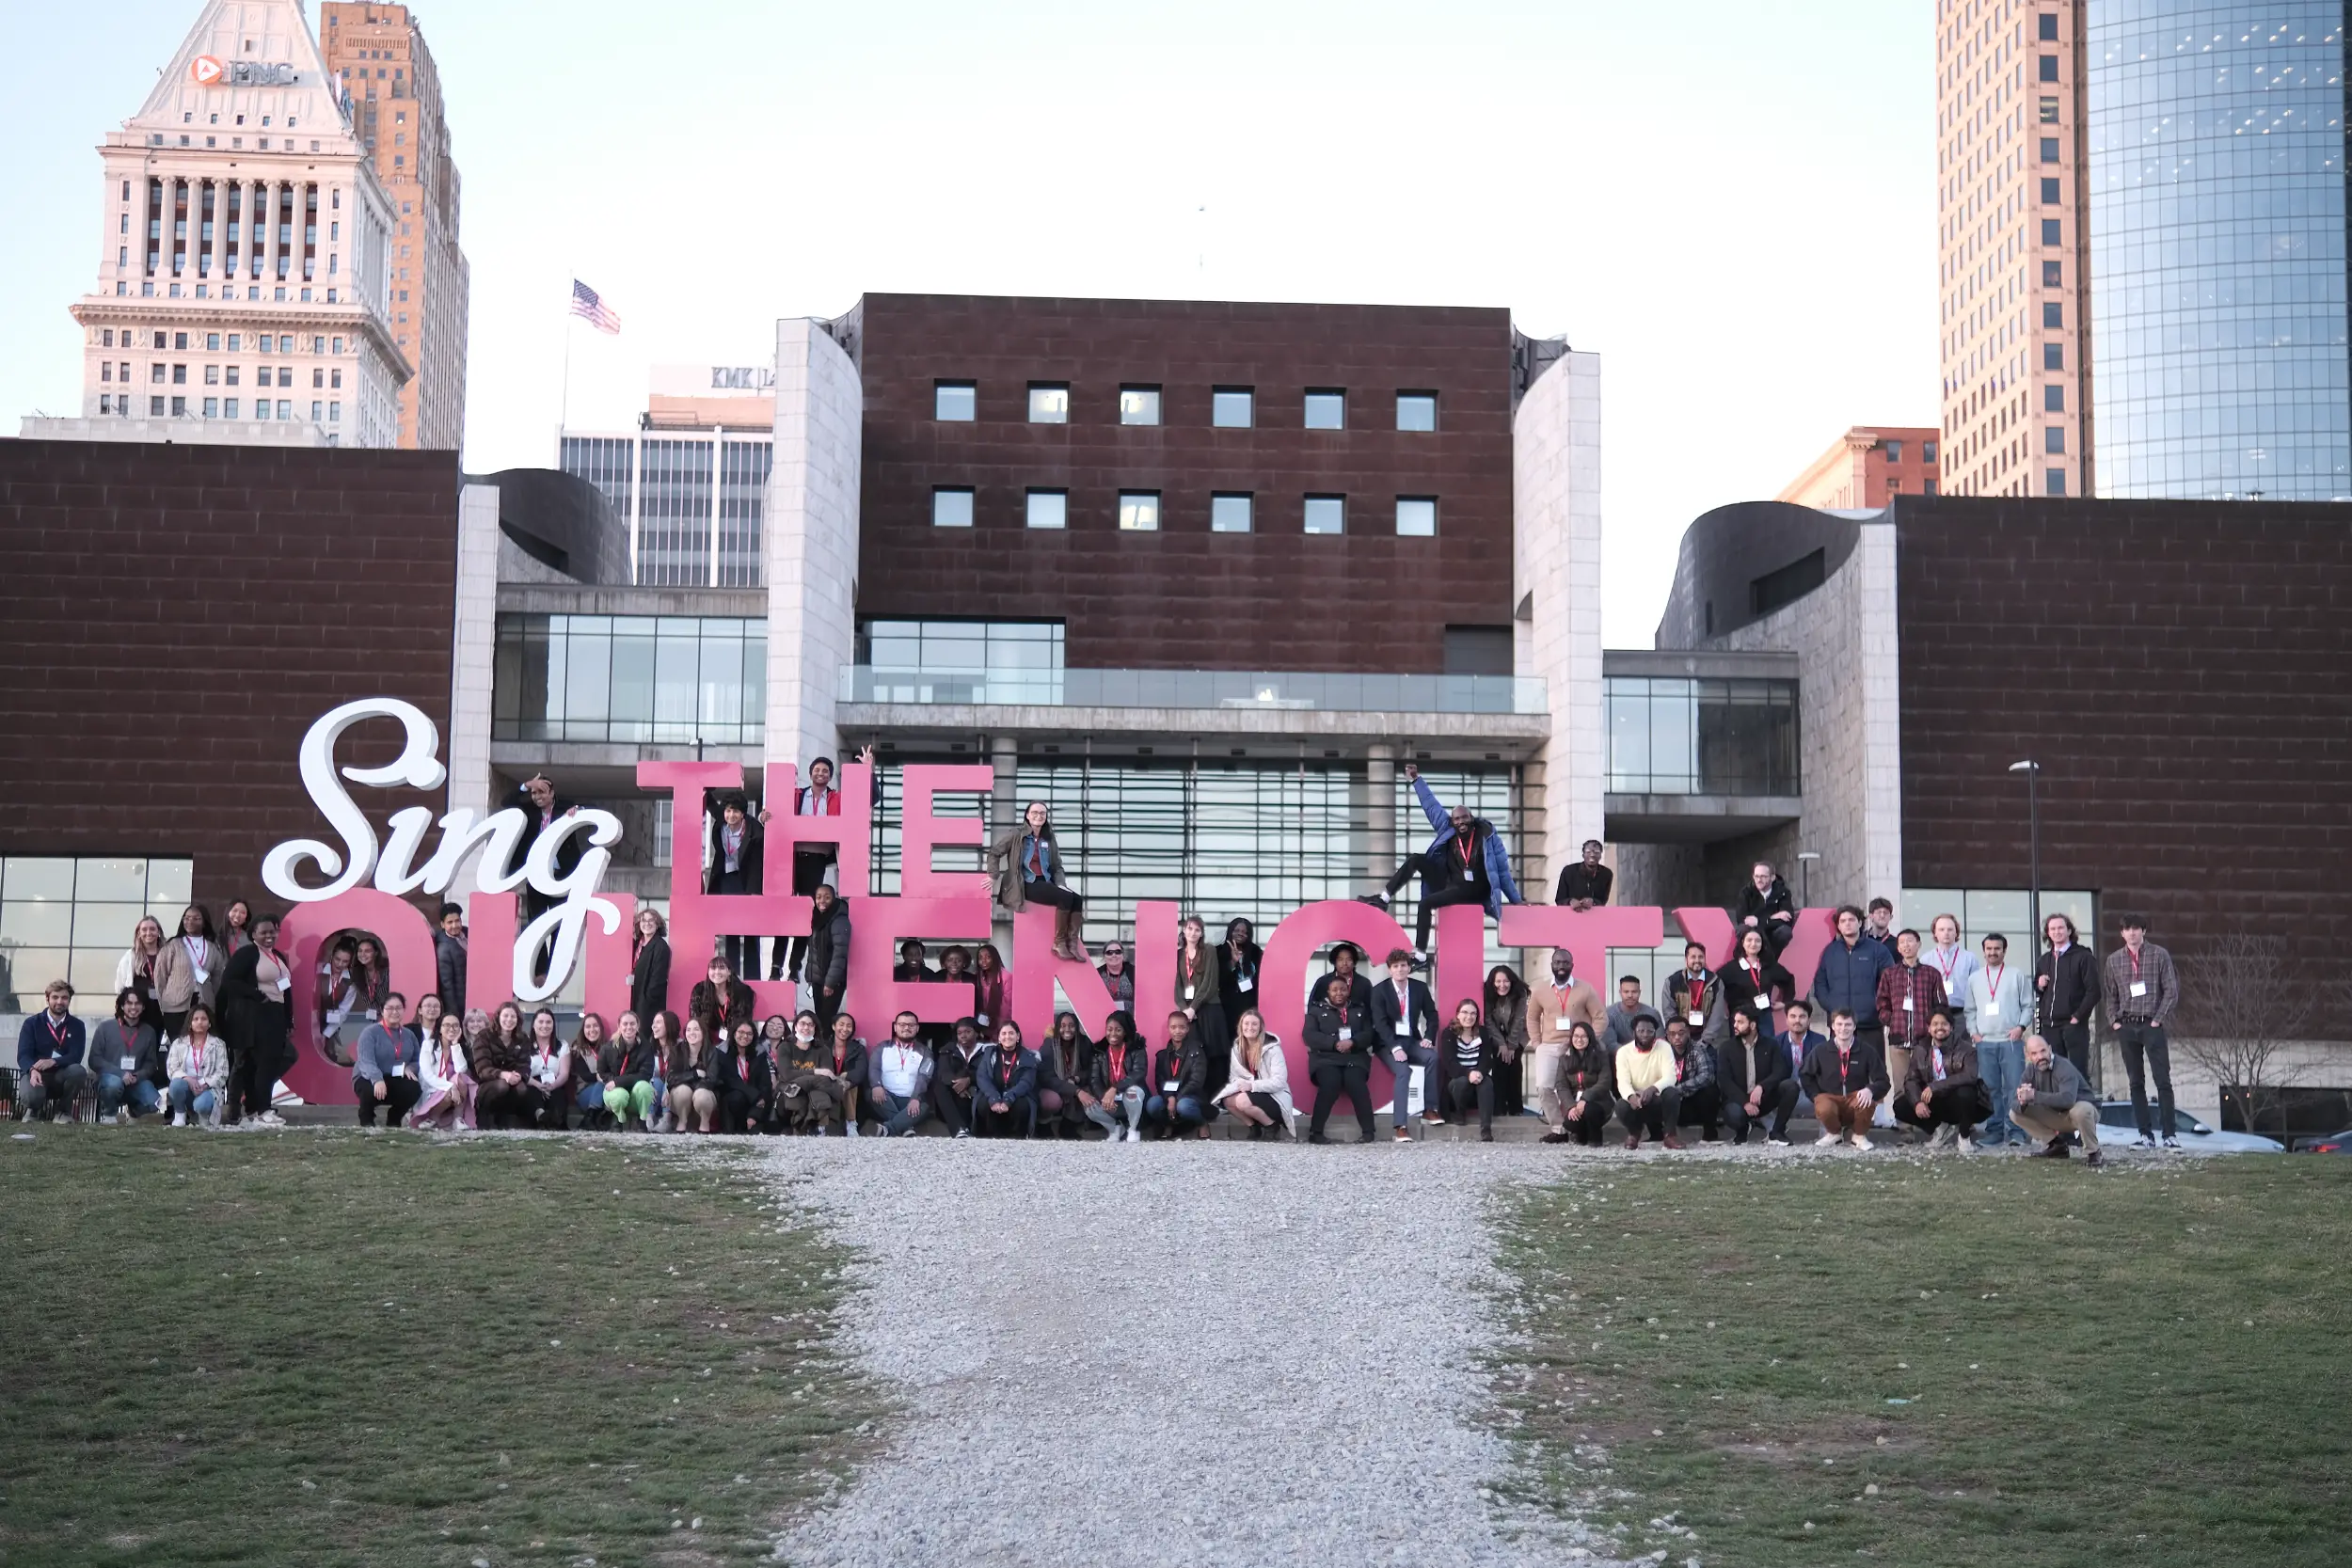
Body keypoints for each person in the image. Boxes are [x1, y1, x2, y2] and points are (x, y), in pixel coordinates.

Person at [1364, 762, 1524, 961]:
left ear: (1471, 818)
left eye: (1464, 818)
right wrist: (1416, 780)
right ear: (1453, 821)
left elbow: (1502, 873)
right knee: (1415, 859)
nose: (1460, 823)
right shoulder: (1447, 828)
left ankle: (1421, 956)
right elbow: (1431, 806)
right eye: (1457, 819)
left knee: (1425, 904)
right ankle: (1383, 899)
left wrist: (1517, 901)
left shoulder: (1489, 838)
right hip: (1451, 882)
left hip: (1476, 890)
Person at [768, 746, 880, 980]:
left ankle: (795, 967)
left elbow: (867, 799)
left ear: (830, 776)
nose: (821, 773)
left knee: (803, 914)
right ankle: (776, 966)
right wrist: (763, 816)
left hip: (816, 860)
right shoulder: (796, 795)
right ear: (810, 774)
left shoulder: (836, 798)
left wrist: (868, 770)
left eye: (826, 771)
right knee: (782, 913)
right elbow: (774, 814)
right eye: (817, 770)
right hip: (789, 858)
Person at [2105, 915, 2182, 1149]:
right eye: (2127, 929)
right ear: (2122, 933)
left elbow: (2171, 991)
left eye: (2136, 929)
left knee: (2163, 1081)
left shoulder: (2159, 955)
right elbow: (2110, 994)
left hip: (2151, 1025)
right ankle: (2145, 1135)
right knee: (2135, 1082)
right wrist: (2114, 1021)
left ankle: (2169, 1135)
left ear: (2144, 931)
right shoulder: (2114, 960)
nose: (2131, 933)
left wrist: (2157, 1020)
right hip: (2127, 1026)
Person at [215, 915, 294, 1128]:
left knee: (271, 1062)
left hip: (275, 1016)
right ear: (254, 934)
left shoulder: (279, 957)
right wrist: (256, 994)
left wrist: (289, 1019)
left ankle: (256, 1107)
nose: (269, 936)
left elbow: (287, 990)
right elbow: (229, 981)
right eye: (264, 932)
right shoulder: (247, 954)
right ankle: (260, 1110)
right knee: (253, 1065)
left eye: (272, 932)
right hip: (252, 1018)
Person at [1526, 948, 1609, 1137]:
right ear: (1552, 965)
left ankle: (1581, 1124)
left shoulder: (1585, 989)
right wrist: (1537, 1043)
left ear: (1572, 965)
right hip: (1549, 1045)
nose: (1561, 966)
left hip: (1578, 1045)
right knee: (1545, 1087)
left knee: (1582, 1086)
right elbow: (1531, 1018)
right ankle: (1558, 1129)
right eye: (1557, 962)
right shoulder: (1539, 989)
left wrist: (1590, 1041)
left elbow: (1600, 1017)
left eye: (1565, 963)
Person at [989, 800, 1084, 960]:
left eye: (1042, 813)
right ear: (1027, 815)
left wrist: (1061, 884)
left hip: (1045, 881)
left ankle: (1072, 944)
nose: (1038, 816)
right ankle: (1059, 943)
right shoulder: (1017, 834)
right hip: (1024, 883)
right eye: (1034, 813)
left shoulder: (1049, 838)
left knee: (1077, 899)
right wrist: (993, 875)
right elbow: (994, 853)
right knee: (1065, 898)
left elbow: (1057, 866)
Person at [1966, 933, 2036, 1149]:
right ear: (1983, 951)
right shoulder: (1975, 978)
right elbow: (1970, 1010)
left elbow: (2028, 1006)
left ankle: (2017, 1131)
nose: (1993, 952)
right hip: (1985, 1042)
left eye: (1997, 948)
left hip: (2011, 1041)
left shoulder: (2016, 975)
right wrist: (1974, 1032)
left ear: (2004, 951)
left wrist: (2021, 1027)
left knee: (2015, 1087)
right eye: (1989, 948)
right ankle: (1994, 1131)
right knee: (1990, 1089)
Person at [1875, 928, 1948, 1117]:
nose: (1906, 945)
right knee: (1901, 1087)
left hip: (1924, 1041)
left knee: (1926, 1085)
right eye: (1902, 942)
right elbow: (1882, 1003)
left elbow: (1940, 1005)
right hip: (1898, 1040)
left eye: (1910, 941)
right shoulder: (1890, 974)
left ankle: (1928, 1126)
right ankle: (1906, 1131)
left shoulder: (1931, 974)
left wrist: (1932, 1028)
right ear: (1898, 948)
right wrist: (1890, 1020)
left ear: (1919, 944)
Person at [1812, 905, 1894, 1073]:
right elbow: (1820, 983)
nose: (1847, 924)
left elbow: (1890, 982)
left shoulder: (1877, 949)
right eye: (1843, 921)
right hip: (1840, 1025)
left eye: (1851, 920)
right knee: (1840, 1071)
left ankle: (1875, 1101)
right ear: (1838, 926)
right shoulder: (1830, 951)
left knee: (1874, 1071)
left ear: (1860, 923)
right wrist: (1832, 1006)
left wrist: (1877, 1006)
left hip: (1869, 1024)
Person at [1371, 946, 1441, 1140]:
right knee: (1404, 1071)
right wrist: (1395, 1048)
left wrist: (1428, 1037)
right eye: (1396, 966)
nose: (1400, 969)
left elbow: (1432, 1015)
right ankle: (1400, 1126)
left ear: (1409, 968)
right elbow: (1380, 1024)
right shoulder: (1379, 991)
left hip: (1411, 1039)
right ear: (1389, 969)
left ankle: (1429, 1109)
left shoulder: (1419, 988)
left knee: (1433, 1058)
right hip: (1387, 1043)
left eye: (1403, 965)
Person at [1894, 1008, 1986, 1150]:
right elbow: (1911, 1080)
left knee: (1967, 1092)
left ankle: (1964, 1136)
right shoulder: (1921, 1049)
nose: (1939, 1028)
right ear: (1929, 1028)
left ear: (1951, 1027)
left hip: (1957, 1101)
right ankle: (1941, 1129)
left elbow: (1970, 1076)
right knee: (1900, 1105)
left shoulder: (1966, 1048)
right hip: (1934, 1101)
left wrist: (1935, 1086)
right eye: (1935, 1024)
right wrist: (1917, 1102)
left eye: (1944, 1024)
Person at [1303, 972, 1377, 1144]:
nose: (1339, 993)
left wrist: (1353, 1042)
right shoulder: (1316, 1011)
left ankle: (1368, 1131)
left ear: (1348, 991)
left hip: (1354, 1057)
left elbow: (1369, 1033)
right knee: (1330, 1083)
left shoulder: (1359, 1010)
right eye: (1334, 990)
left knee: (1356, 1084)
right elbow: (1309, 1035)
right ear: (1328, 992)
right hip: (1326, 1058)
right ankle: (1316, 1132)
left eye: (1343, 990)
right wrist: (1334, 1043)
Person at [1800, 1008, 1887, 1149]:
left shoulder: (1867, 1050)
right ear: (1833, 1026)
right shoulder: (1820, 1050)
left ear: (1854, 1026)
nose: (1843, 1029)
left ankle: (1859, 1136)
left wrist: (1870, 1090)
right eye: (1839, 1024)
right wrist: (1816, 1096)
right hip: (1831, 1098)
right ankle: (1834, 1134)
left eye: (1848, 1024)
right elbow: (1805, 1074)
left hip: (1855, 1099)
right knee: (1824, 1105)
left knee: (1866, 1100)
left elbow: (1883, 1081)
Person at [2013, 1033, 2105, 1166]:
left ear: (2050, 1049)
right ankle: (2056, 1146)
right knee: (2015, 1113)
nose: (2040, 1057)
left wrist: (2034, 1095)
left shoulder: (2064, 1066)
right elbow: (2013, 1102)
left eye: (2043, 1051)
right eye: (2034, 1053)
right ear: (2028, 1056)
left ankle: (2094, 1153)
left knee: (2082, 1110)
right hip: (2056, 1114)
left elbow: (2068, 1100)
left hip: (2079, 1113)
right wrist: (2022, 1100)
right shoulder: (2030, 1071)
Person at [706, 790, 766, 980]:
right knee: (730, 929)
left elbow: (757, 862)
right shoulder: (721, 824)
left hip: (748, 880)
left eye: (735, 812)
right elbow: (709, 802)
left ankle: (752, 977)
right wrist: (708, 785)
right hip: (727, 878)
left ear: (743, 814)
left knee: (750, 931)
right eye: (728, 811)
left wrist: (755, 891)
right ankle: (731, 975)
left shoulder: (754, 829)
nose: (731, 816)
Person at [2034, 913, 2101, 1083]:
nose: (2057, 932)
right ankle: (2059, 1108)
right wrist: (2039, 985)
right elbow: (2039, 991)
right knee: (2054, 1075)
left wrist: (2077, 1017)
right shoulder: (2044, 960)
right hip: (2050, 1026)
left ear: (2069, 930)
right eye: (2053, 929)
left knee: (2078, 1073)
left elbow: (2094, 992)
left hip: (2074, 1026)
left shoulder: (2083, 956)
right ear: (2048, 933)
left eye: (2061, 928)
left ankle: (2084, 1108)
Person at [1718, 1006, 1798, 1146]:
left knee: (1790, 1087)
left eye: (1740, 1022)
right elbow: (1724, 1080)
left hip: (1763, 1098)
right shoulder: (1726, 1048)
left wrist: (1762, 1087)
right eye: (1735, 1021)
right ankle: (1742, 1130)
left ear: (1753, 1025)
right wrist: (1745, 1102)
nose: (1735, 1026)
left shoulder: (1771, 1045)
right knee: (1734, 1114)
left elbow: (1780, 1071)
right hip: (1738, 1100)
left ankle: (1777, 1132)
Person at [514, 772, 584, 923]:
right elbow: (507, 802)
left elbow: (587, 808)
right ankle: (539, 948)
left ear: (552, 793)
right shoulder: (529, 810)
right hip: (535, 874)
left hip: (561, 874)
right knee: (536, 921)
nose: (537, 796)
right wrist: (526, 785)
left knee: (558, 922)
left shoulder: (565, 806)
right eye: (534, 793)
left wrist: (577, 810)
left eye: (542, 792)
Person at [1216, 1007, 1294, 1139]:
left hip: (1275, 1096)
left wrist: (1252, 1086)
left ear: (1261, 1027)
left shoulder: (1273, 1048)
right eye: (1246, 1023)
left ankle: (1271, 1126)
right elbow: (1234, 1076)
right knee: (1228, 1100)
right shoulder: (1237, 1047)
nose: (1250, 1027)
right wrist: (1238, 1085)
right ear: (1241, 1026)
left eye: (1254, 1024)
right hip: (1252, 1093)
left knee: (1241, 1101)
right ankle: (1253, 1127)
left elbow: (1279, 1081)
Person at [16, 981, 89, 1122]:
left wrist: (53, 1061)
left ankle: (63, 1112)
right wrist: (32, 1070)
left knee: (78, 1071)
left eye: (64, 998)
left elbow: (76, 1056)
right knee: (32, 1097)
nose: (60, 1001)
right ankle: (33, 1111)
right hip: (37, 1074)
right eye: (55, 997)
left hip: (61, 1075)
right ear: (47, 998)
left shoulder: (77, 1026)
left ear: (69, 1000)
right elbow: (23, 1054)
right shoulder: (32, 1023)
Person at [89, 987, 164, 1124]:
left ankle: (133, 1113)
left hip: (135, 1082)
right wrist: (120, 1073)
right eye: (129, 1003)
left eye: (138, 1003)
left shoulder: (149, 1032)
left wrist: (137, 1076)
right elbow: (94, 1059)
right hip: (109, 1080)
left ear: (143, 1007)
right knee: (114, 1084)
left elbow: (150, 1064)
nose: (133, 1007)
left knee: (155, 1102)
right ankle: (109, 1115)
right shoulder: (105, 1028)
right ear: (122, 1006)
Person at [1432, 998, 1503, 1140]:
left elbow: (1486, 1059)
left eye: (1473, 1014)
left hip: (1477, 1080)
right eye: (1465, 1012)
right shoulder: (1449, 1033)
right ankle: (1459, 1113)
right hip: (1457, 1083)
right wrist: (1468, 1073)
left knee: (1487, 1083)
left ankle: (1486, 1129)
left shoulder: (1482, 1032)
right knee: (1462, 1082)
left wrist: (1479, 1073)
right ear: (1457, 1014)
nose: (1469, 1017)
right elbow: (1449, 1063)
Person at [1176, 916, 1229, 1105]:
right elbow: (1177, 986)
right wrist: (1184, 1009)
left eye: (1197, 930)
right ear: (1184, 930)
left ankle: (1218, 1099)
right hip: (1190, 1014)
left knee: (1215, 1056)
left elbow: (1209, 985)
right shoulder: (1178, 955)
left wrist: (1193, 1008)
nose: (1193, 933)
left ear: (1201, 933)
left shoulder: (1209, 951)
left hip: (1209, 1009)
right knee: (1195, 1056)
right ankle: (1198, 1098)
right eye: (1190, 929)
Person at [153, 905, 223, 1041]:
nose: (190, 922)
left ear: (204, 922)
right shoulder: (172, 945)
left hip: (204, 1004)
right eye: (187, 918)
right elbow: (160, 977)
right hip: (175, 1007)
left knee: (200, 1044)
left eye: (196, 919)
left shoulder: (212, 947)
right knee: (178, 1045)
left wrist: (208, 993)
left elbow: (217, 976)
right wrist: (165, 1000)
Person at [354, 992, 422, 1129]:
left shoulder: (409, 1034)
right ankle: (367, 1120)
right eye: (390, 1008)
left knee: (414, 1088)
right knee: (368, 1089)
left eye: (398, 1008)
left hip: (395, 1077)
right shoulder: (370, 1032)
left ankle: (394, 1118)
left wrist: (409, 1068)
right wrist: (377, 1079)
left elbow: (417, 1060)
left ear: (404, 1010)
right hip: (368, 1077)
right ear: (382, 1010)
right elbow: (366, 1061)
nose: (394, 1012)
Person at [1613, 1015, 1682, 1149]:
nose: (1645, 1035)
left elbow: (1671, 1077)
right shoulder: (1623, 1052)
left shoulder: (1664, 1047)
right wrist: (1631, 1096)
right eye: (1641, 1031)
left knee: (1672, 1093)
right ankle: (1634, 1133)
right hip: (1636, 1101)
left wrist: (1652, 1089)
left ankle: (1670, 1136)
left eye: (1650, 1031)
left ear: (1655, 1033)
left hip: (1657, 1098)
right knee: (1621, 1106)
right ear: (1634, 1032)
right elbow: (1623, 1082)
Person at [1086, 1009, 1151, 1142]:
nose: (1113, 1034)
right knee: (1089, 1106)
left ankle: (1133, 1129)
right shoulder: (1099, 1051)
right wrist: (1104, 1097)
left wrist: (1115, 1088)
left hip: (1129, 1097)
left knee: (1133, 1091)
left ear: (1125, 1031)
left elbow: (1139, 1073)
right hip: (1110, 1100)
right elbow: (1094, 1080)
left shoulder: (1137, 1048)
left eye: (1118, 1030)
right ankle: (1115, 1128)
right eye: (1109, 1029)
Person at [471, 1001, 535, 1131]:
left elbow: (525, 1065)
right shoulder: (484, 1036)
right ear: (498, 1017)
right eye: (505, 1016)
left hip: (512, 1082)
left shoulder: (523, 1039)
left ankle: (507, 1118)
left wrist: (519, 1075)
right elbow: (482, 1068)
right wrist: (502, 1074)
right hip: (488, 1083)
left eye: (513, 1016)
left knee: (521, 1088)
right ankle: (485, 1116)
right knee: (502, 1085)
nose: (509, 1020)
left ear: (518, 1020)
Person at [866, 1011, 932, 1136]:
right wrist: (876, 1085)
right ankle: (906, 1126)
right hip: (886, 1097)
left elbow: (924, 1077)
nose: (906, 1028)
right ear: (895, 1027)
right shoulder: (882, 1047)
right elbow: (874, 1068)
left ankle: (888, 1129)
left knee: (924, 1106)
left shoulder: (925, 1051)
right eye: (902, 1024)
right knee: (870, 1094)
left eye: (911, 1025)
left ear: (917, 1028)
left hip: (910, 1099)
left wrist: (915, 1097)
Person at [1718, 927, 1794, 1035]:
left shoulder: (1769, 966)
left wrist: (1785, 1002)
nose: (1753, 944)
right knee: (1740, 1050)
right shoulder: (1730, 969)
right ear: (1742, 943)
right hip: (1740, 1018)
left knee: (1767, 1049)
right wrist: (1722, 1008)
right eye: (1749, 940)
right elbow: (1715, 986)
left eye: (1758, 941)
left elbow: (1789, 980)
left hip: (1764, 1017)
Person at [1147, 1009, 1210, 1139]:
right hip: (1170, 1096)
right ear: (1168, 1029)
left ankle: (1202, 1123)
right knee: (1152, 1104)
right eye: (1173, 1027)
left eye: (1182, 1027)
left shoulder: (1196, 1051)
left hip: (1191, 1096)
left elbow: (1196, 1081)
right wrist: (1170, 1097)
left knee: (1184, 1106)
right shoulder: (1163, 1055)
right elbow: (1160, 1081)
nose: (1177, 1031)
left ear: (1187, 1029)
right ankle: (1169, 1124)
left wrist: (1177, 1097)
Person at [1548, 1022, 1613, 1147]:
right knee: (1570, 1121)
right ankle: (1581, 1136)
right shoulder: (1564, 1058)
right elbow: (1561, 1085)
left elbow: (1604, 1082)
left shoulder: (1601, 1056)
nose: (1579, 1040)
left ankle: (1595, 1139)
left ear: (1590, 1038)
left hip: (1598, 1102)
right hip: (1574, 1101)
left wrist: (1585, 1098)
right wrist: (1571, 1106)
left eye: (1583, 1036)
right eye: (1576, 1036)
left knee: (1590, 1110)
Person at [166, 1003, 229, 1128]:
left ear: (209, 1023)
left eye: (204, 1019)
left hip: (208, 1089)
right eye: (196, 1019)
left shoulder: (218, 1044)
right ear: (190, 1023)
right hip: (187, 1087)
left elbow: (222, 1073)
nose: (200, 1022)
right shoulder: (179, 1043)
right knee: (176, 1084)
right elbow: (172, 1069)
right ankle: (180, 1114)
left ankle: (202, 1116)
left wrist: (205, 1084)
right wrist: (187, 1079)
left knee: (201, 1105)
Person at [973, 1020, 1041, 1138]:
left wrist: (1009, 1098)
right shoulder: (989, 1054)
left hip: (1017, 1095)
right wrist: (994, 1097)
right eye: (1003, 1034)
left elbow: (1026, 1082)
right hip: (994, 1093)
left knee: (1022, 1105)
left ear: (1018, 1036)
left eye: (1011, 1033)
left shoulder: (1028, 1056)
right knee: (983, 1104)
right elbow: (982, 1077)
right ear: (999, 1038)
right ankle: (988, 1137)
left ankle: (1016, 1138)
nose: (1007, 1037)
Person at [411, 1010, 477, 1132]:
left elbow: (461, 1070)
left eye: (456, 1025)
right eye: (447, 1025)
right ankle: (433, 1117)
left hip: (455, 1092)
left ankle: (458, 1119)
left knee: (462, 1077)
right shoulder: (428, 1045)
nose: (452, 1029)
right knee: (449, 1092)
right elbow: (427, 1075)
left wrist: (455, 1044)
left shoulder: (459, 1047)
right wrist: (450, 1086)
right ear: (439, 1028)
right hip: (434, 1091)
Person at [1215, 919, 1263, 1071]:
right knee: (1229, 1048)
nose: (1240, 934)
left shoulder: (1256, 952)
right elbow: (1217, 981)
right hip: (1226, 1008)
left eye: (1244, 932)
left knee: (1247, 1046)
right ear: (1230, 931)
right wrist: (1232, 964)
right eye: (1237, 931)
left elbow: (1261, 981)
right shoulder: (1219, 951)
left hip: (1249, 1007)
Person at [601, 1010, 661, 1132]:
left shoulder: (646, 1047)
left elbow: (645, 1074)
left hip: (635, 1091)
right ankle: (617, 1118)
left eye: (632, 1024)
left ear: (638, 1026)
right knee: (619, 1095)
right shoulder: (608, 1048)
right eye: (625, 1024)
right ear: (619, 1026)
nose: (629, 1027)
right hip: (614, 1092)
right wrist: (613, 1082)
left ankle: (642, 1120)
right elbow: (602, 1071)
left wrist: (618, 1081)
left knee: (645, 1087)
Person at [1484, 964, 1531, 1117]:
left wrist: (1511, 1046)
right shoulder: (1488, 994)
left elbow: (1519, 1020)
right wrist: (1502, 1044)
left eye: (1506, 981)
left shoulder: (1520, 994)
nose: (1502, 985)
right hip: (1497, 1035)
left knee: (1514, 1063)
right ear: (1492, 982)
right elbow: (1488, 1021)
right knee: (1499, 1064)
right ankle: (1499, 1108)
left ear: (1511, 981)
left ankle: (1516, 1108)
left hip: (1518, 1035)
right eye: (1498, 981)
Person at [1036, 1011, 1091, 1140]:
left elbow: (1090, 1070)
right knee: (1052, 1101)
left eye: (1071, 1026)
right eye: (1063, 1025)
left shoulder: (1083, 1043)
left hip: (1073, 1083)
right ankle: (1044, 1124)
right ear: (1057, 1027)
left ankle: (1068, 1125)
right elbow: (1046, 1078)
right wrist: (1075, 1090)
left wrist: (1076, 1078)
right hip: (1052, 1087)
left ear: (1077, 1027)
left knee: (1089, 1091)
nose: (1067, 1029)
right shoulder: (1049, 1045)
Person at [1663, 1016, 1719, 1141]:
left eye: (1681, 1033)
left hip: (1692, 1101)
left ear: (1688, 1033)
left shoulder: (1697, 1049)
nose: (1677, 1037)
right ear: (1667, 1035)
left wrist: (1678, 1089)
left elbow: (1707, 1076)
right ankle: (1659, 1134)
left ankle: (1710, 1133)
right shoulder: (1663, 1052)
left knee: (1710, 1091)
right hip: (1672, 1103)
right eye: (1672, 1034)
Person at [803, 883, 852, 1025]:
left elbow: (840, 954)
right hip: (818, 980)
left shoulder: (839, 920)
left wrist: (830, 983)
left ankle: (828, 1047)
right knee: (820, 1021)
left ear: (834, 898)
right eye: (818, 897)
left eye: (827, 897)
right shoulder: (816, 918)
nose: (822, 901)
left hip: (831, 983)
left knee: (826, 1022)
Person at [929, 1017, 984, 1139]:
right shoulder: (948, 1050)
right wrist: (958, 1085)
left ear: (976, 1033)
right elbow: (944, 1073)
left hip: (977, 1095)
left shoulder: (986, 1051)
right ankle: (959, 1129)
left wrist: (969, 1080)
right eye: (959, 1033)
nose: (963, 1036)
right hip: (956, 1096)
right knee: (938, 1085)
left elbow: (987, 1074)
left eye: (967, 1032)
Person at [1732, 861, 1798, 959]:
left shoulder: (1783, 892)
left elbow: (1788, 920)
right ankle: (1745, 960)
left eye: (1763, 876)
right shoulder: (1746, 892)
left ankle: (1770, 960)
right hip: (1753, 932)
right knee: (1741, 929)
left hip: (1773, 935)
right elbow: (1742, 919)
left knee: (1785, 932)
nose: (1759, 880)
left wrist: (1758, 921)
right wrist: (1773, 917)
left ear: (1772, 877)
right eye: (1756, 876)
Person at [666, 1015, 721, 1133]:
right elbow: (670, 1078)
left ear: (703, 1033)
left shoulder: (712, 1052)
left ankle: (704, 1124)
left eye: (696, 1029)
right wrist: (695, 1074)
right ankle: (682, 1122)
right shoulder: (677, 1051)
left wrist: (694, 1090)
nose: (692, 1033)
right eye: (689, 1030)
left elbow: (712, 1079)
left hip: (705, 1095)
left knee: (701, 1094)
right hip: (680, 1097)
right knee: (683, 1091)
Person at [707, 1019, 763, 1133]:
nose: (745, 1036)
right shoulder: (723, 1054)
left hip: (756, 1106)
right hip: (731, 1104)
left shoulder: (759, 1056)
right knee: (735, 1097)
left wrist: (754, 1113)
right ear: (734, 1033)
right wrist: (754, 1095)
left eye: (749, 1033)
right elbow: (730, 1080)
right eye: (741, 1032)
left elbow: (765, 1086)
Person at [689, 955, 757, 1049]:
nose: (717, 972)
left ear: (729, 972)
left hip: (735, 1041)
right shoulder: (700, 990)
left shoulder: (743, 992)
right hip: (707, 1041)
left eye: (721, 968)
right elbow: (695, 1020)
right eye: (713, 968)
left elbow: (744, 1021)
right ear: (708, 972)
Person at [521, 1006, 571, 1130]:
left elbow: (564, 1073)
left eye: (548, 1022)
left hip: (554, 1083)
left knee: (558, 1096)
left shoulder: (562, 1045)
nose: (545, 1026)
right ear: (533, 1025)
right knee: (531, 1093)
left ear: (553, 1025)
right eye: (541, 1022)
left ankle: (556, 1121)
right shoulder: (524, 1044)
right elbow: (521, 1071)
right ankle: (540, 1117)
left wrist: (552, 1086)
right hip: (531, 1082)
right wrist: (538, 1085)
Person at [1922, 914, 1980, 1016]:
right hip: (1935, 1013)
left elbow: (1976, 989)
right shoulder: (1926, 960)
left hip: (1962, 1013)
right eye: (1941, 929)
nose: (1946, 933)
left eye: (1950, 929)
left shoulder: (1970, 958)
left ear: (1956, 932)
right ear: (1935, 933)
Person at [1663, 942, 1720, 1043]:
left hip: (1707, 1040)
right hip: (1679, 1040)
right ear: (1686, 960)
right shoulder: (1673, 982)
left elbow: (1718, 1014)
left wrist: (1705, 1040)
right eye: (1693, 957)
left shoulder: (1715, 982)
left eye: (1701, 957)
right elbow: (1669, 1012)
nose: (1697, 960)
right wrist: (1680, 1035)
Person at [113, 915, 166, 1018]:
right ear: (139, 933)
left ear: (158, 932)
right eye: (144, 930)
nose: (148, 933)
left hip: (163, 1008)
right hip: (138, 1009)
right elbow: (121, 984)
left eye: (152, 929)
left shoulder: (167, 954)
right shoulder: (131, 955)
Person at [566, 1012, 612, 1129]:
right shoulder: (577, 1049)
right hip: (585, 1092)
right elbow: (586, 1075)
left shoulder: (610, 1047)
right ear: (583, 1030)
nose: (592, 1030)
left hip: (608, 1090)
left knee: (605, 1087)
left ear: (601, 1028)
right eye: (588, 1026)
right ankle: (591, 1116)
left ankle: (591, 1119)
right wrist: (602, 1077)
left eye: (595, 1026)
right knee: (600, 1085)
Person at [628, 907, 671, 1025]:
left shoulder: (661, 947)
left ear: (657, 924)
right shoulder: (638, 945)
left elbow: (658, 980)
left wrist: (645, 1003)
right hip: (633, 1001)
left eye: (651, 920)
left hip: (648, 1007)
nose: (647, 924)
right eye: (643, 920)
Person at [1772, 999, 1827, 1089]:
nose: (1797, 1020)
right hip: (1785, 1091)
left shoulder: (1819, 1041)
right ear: (1786, 1020)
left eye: (1802, 1017)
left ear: (1809, 1020)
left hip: (1811, 1089)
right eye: (1793, 1016)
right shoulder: (1776, 1042)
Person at [643, 1009, 682, 1132]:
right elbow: (646, 1072)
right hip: (656, 1094)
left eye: (658, 1022)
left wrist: (669, 1086)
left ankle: (666, 1119)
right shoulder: (650, 1047)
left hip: (673, 1093)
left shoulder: (681, 1047)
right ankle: (648, 1118)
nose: (654, 1026)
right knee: (655, 1081)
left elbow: (678, 1073)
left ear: (669, 1024)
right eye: (653, 1023)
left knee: (668, 1080)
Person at [1312, 942, 1375, 1013]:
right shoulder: (1323, 982)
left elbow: (1372, 1008)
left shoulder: (1364, 983)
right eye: (1340, 959)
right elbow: (1313, 1006)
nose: (1344, 963)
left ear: (1354, 962)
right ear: (1334, 962)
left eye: (1348, 959)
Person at [1604, 975, 1664, 1048]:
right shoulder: (1609, 1013)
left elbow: (1660, 1041)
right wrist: (1631, 1055)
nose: (1630, 995)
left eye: (1634, 992)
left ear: (1639, 992)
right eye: (1626, 992)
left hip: (1649, 1055)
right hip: (1619, 1056)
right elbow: (1610, 1044)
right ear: (1620, 992)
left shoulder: (1652, 1013)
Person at [1555, 839, 1612, 910]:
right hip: (1570, 915)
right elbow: (1559, 900)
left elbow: (1603, 901)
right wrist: (1570, 902)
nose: (1592, 855)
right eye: (1588, 852)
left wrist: (1593, 902)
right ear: (1583, 855)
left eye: (1596, 852)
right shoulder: (1568, 871)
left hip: (1593, 915)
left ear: (1600, 855)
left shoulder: (1606, 874)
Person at [971, 943, 1010, 1036]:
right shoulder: (977, 976)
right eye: (980, 958)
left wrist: (1001, 1027)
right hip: (981, 1022)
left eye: (988, 957)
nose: (983, 961)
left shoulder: (1006, 977)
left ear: (995, 958)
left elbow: (1006, 1006)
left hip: (999, 1024)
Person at [1096, 941, 1136, 1008]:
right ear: (1104, 956)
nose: (1114, 955)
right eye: (1109, 953)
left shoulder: (1134, 971)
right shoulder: (1097, 974)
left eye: (1117, 952)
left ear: (1123, 955)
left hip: (1130, 1017)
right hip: (1105, 1016)